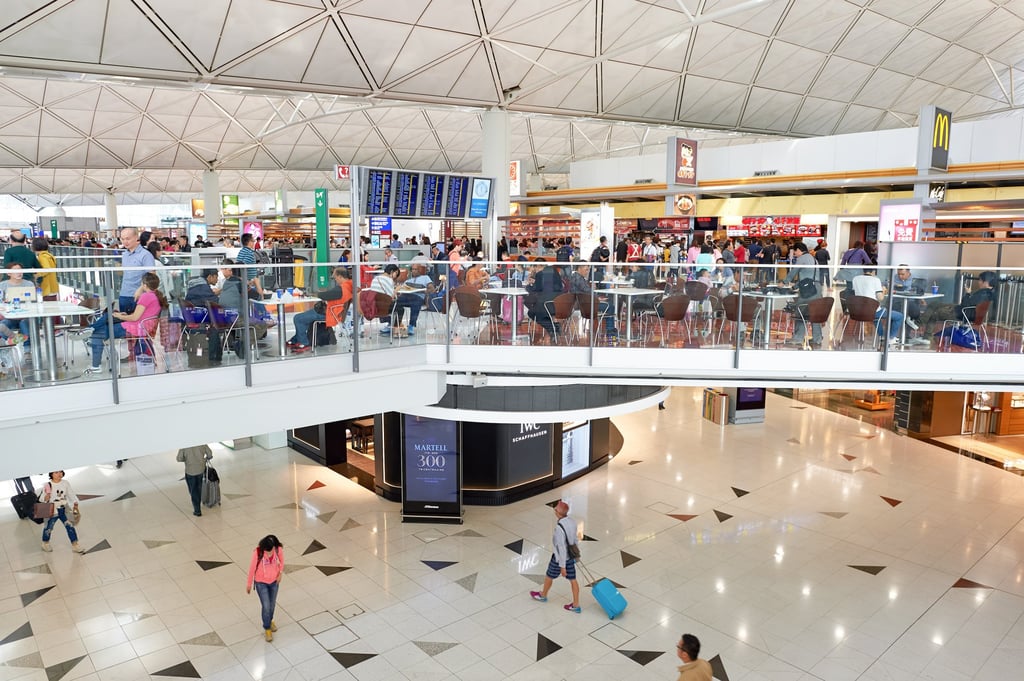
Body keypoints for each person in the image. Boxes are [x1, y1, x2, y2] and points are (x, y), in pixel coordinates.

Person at [85, 272, 166, 374]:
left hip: (135, 328)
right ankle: (91, 329)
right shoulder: (156, 296)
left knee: (98, 333)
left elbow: (135, 317)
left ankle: (96, 364)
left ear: (144, 285)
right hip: (141, 327)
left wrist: (120, 316)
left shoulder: (146, 296)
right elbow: (141, 315)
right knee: (107, 319)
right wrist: (124, 315)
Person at [529, 500, 581, 613]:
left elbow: (561, 548)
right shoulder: (572, 522)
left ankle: (543, 595)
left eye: (555, 509)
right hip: (571, 557)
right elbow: (575, 539)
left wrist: (562, 566)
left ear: (558, 513)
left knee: (549, 575)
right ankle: (576, 605)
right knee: (573, 580)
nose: (554, 510)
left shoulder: (559, 528)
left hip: (559, 559)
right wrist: (576, 556)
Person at [288, 267, 353, 351]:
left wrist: (311, 293)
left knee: (298, 318)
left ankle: (303, 343)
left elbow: (323, 295)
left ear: (340, 276)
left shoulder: (340, 289)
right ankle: (295, 340)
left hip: (329, 313)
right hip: (336, 313)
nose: (335, 280)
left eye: (335, 277)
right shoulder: (350, 285)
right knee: (304, 317)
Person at [246, 535, 284, 642]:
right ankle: (267, 628)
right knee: (266, 606)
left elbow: (282, 562)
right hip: (261, 583)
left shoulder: (278, 549)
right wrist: (249, 584)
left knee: (272, 604)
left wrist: (280, 573)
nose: (269, 554)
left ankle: (270, 620)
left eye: (271, 551)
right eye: (267, 552)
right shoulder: (258, 552)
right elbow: (252, 569)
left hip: (274, 582)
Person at [852, 267, 904, 346]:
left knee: (877, 315)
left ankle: (882, 336)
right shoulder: (875, 280)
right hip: (873, 312)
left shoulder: (855, 279)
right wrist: (883, 291)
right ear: (873, 271)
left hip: (859, 311)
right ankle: (890, 338)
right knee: (899, 316)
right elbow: (880, 298)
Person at [784, 242, 823, 346]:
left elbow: (794, 271)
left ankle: (797, 338)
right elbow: (808, 277)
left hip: (808, 289)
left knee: (801, 311)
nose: (795, 254)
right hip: (817, 287)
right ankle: (817, 338)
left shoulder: (802, 258)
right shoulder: (813, 259)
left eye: (795, 251)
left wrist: (784, 281)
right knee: (815, 314)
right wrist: (795, 286)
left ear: (799, 250)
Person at [39, 470, 85, 554]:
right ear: (51, 474)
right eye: (56, 472)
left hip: (64, 509)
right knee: (48, 527)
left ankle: (75, 545)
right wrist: (46, 497)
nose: (59, 474)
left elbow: (70, 493)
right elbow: (41, 499)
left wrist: (75, 503)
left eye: (60, 472)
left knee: (70, 526)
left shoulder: (65, 483)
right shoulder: (48, 485)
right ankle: (45, 543)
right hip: (52, 510)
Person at [395, 263, 433, 334]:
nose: (414, 271)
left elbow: (432, 289)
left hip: (418, 297)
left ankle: (411, 325)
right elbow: (402, 289)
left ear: (419, 270)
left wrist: (423, 291)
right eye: (413, 269)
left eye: (416, 269)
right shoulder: (408, 280)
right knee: (395, 303)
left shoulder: (425, 278)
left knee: (415, 303)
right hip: (407, 296)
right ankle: (394, 325)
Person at [176, 444, 212, 517]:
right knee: (199, 488)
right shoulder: (202, 443)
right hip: (200, 470)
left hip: (190, 471)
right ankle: (198, 501)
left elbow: (179, 458)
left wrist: (186, 460)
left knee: (193, 490)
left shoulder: (184, 446)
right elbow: (209, 454)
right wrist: (205, 459)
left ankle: (197, 511)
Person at [236, 233, 263, 297]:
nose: (254, 243)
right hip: (249, 282)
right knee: (259, 297)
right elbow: (243, 266)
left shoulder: (241, 251)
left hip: (244, 281)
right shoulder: (250, 253)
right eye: (253, 241)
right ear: (249, 242)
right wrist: (248, 281)